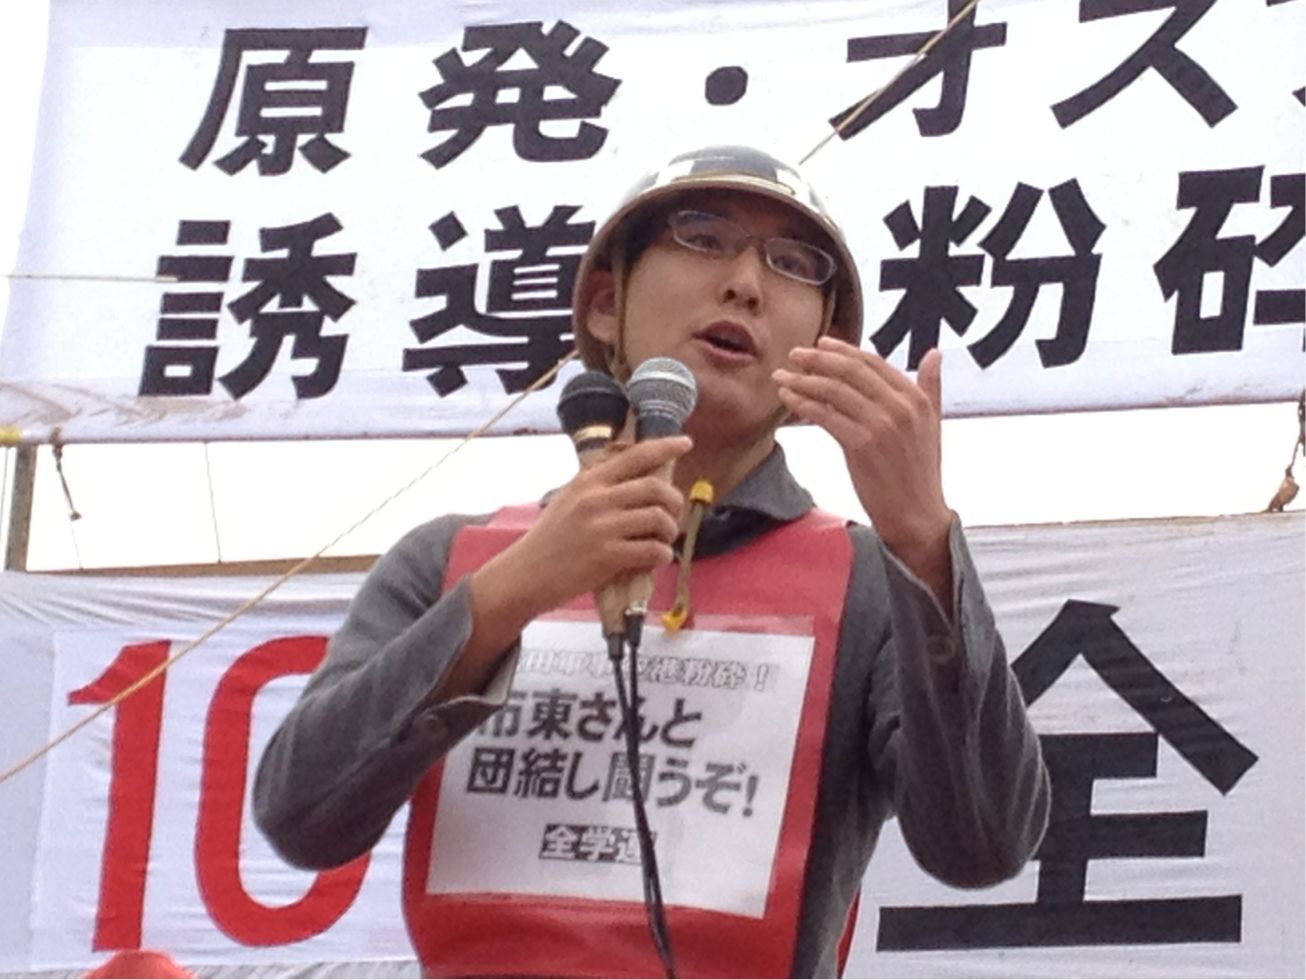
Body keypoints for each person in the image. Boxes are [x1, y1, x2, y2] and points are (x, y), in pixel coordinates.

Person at [253, 145, 1050, 978]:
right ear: (606, 304)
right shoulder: (454, 559)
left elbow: (982, 844)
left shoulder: (873, 583)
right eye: (703, 237)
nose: (745, 284)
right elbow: (302, 816)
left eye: (792, 263)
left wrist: (923, 542)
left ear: (824, 345)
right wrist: (509, 595)